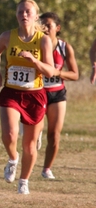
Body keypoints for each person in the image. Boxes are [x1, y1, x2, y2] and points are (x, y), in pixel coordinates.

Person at [0, 0, 56, 194]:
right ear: (16, 15)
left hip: (35, 96)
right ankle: (12, 159)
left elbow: (51, 71)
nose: (24, 15)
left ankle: (24, 181)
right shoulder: (7, 37)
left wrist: (34, 60)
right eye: (20, 12)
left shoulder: (43, 40)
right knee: (9, 134)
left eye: (28, 12)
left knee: (29, 143)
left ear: (36, 16)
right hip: (11, 92)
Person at [39, 12, 79, 179]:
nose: (45, 28)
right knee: (34, 134)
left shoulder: (64, 47)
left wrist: (56, 72)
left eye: (49, 25)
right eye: (42, 25)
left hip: (57, 93)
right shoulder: (36, 45)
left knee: (54, 134)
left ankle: (47, 169)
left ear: (58, 28)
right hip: (37, 92)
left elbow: (75, 74)